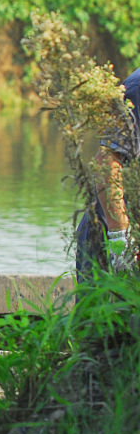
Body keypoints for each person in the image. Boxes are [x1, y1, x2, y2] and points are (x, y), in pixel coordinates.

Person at [75, 67, 139, 280]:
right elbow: (108, 162)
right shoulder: (136, 90)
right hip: (114, 233)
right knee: (102, 310)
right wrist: (120, 239)